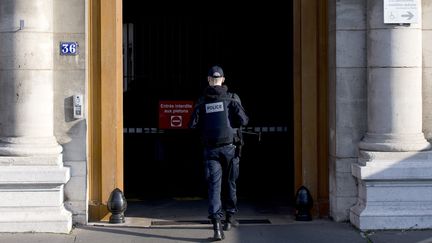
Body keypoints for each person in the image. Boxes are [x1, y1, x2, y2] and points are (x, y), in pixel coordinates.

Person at [189, 65, 249, 241]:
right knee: (230, 183)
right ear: (223, 79)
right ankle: (230, 219)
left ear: (208, 80)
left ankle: (217, 228)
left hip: (211, 150)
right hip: (231, 148)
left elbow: (192, 124)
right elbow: (244, 121)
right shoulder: (232, 99)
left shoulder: (202, 101)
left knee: (214, 187)